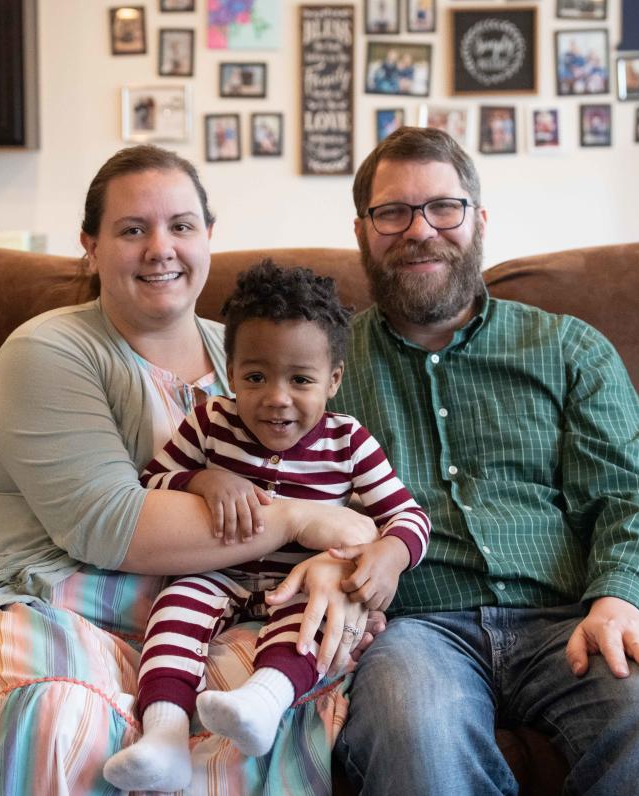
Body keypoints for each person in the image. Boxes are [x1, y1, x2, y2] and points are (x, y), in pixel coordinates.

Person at [0, 146, 376, 794]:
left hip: (192, 615)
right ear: (91, 246)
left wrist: (332, 561)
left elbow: (335, 483)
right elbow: (110, 527)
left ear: (208, 237)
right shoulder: (47, 350)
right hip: (41, 598)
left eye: (182, 226)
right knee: (71, 717)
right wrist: (299, 518)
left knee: (277, 697)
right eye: (133, 230)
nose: (162, 248)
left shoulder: (254, 354)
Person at [274, 127, 639, 794]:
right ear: (362, 230)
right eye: (392, 212)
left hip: (570, 620)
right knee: (414, 740)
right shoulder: (321, 366)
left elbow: (628, 500)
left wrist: (620, 600)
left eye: (443, 208)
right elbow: (282, 486)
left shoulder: (569, 349)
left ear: (479, 219)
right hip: (415, 630)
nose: (418, 230)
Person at [104, 260, 430, 792]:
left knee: (317, 618)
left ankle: (263, 701)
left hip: (297, 582)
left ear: (333, 381)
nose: (277, 397)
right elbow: (149, 484)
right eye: (256, 377)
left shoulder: (348, 443)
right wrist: (204, 480)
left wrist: (390, 554)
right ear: (230, 374)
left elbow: (408, 516)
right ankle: (162, 737)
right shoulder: (210, 423)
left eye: (300, 379)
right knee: (176, 605)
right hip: (216, 572)